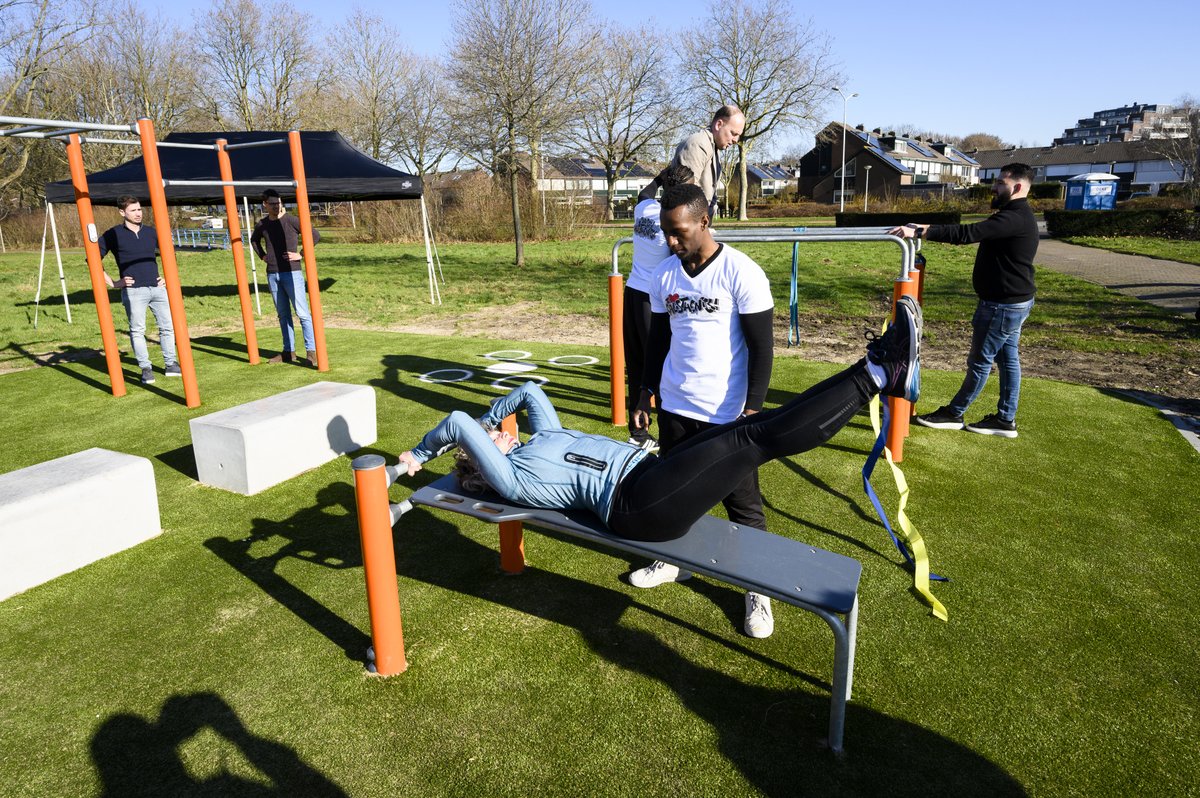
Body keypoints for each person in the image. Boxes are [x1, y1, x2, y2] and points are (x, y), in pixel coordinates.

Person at [396, 296, 920, 564]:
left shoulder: (540, 439)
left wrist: (494, 421)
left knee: (750, 429)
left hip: (651, 471)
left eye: (501, 433)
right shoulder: (511, 481)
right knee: (750, 439)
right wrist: (419, 457)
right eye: (495, 440)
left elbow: (531, 391)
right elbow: (461, 423)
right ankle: (877, 374)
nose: (505, 433)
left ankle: (879, 367)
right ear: (484, 458)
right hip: (636, 508)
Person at [625, 182, 776, 637]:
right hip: (675, 405)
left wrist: (753, 409)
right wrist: (644, 392)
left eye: (679, 232)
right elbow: (659, 340)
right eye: (666, 234)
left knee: (742, 504)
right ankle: (672, 560)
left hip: (727, 412)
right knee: (674, 493)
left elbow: (761, 347)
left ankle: (758, 590)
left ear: (704, 221)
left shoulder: (741, 272)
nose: (671, 242)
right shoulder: (665, 275)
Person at [888, 162, 1039, 438]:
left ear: (1017, 187)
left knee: (981, 362)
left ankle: (954, 413)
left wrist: (923, 232)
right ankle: (1005, 419)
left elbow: (967, 234)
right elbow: (969, 230)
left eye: (1000, 183)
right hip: (1013, 302)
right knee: (1007, 361)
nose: (993, 188)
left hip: (1001, 306)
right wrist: (925, 226)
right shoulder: (1017, 215)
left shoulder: (1013, 218)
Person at [625, 163, 696, 449]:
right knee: (662, 368)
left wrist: (661, 175)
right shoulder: (671, 222)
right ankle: (670, 435)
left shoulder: (645, 209)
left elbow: (645, 192)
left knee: (638, 367)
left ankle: (638, 433)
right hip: (652, 299)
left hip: (631, 295)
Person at [98, 196, 179, 385]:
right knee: (137, 330)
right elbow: (92, 259)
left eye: (139, 209)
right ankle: (146, 368)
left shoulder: (151, 232)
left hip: (157, 288)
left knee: (167, 327)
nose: (138, 213)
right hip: (134, 291)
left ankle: (171, 364)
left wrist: (167, 277)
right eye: (133, 210)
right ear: (122, 212)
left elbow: (170, 253)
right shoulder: (113, 234)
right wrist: (113, 283)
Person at [251, 188, 320, 365]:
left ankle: (311, 352)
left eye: (278, 203)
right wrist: (263, 256)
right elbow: (254, 240)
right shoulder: (263, 224)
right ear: (265, 204)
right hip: (273, 274)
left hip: (292, 272)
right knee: (283, 315)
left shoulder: (291, 221)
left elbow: (314, 235)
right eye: (272, 204)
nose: (276, 207)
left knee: (302, 313)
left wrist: (302, 254)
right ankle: (289, 351)